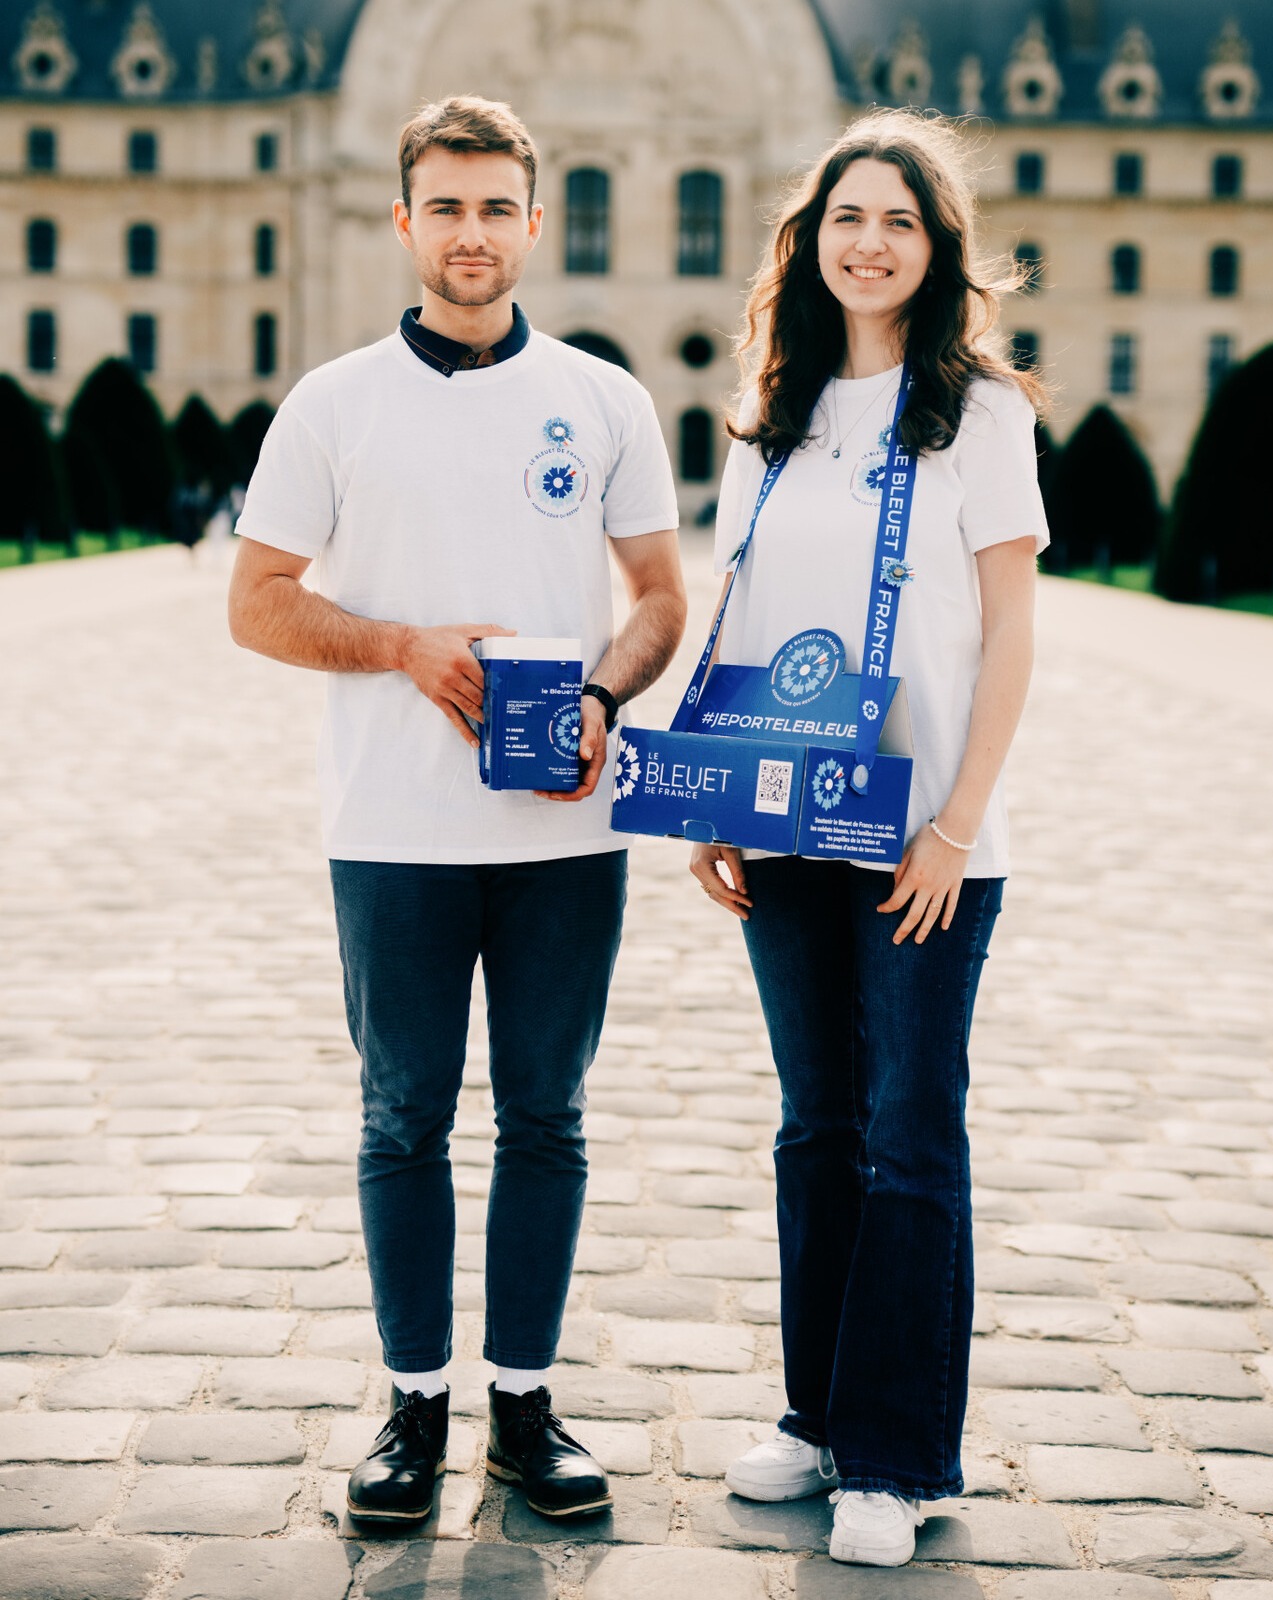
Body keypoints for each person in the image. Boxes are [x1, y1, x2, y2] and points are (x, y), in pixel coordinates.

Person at [228, 95, 684, 1526]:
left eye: (499, 207)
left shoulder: (607, 400)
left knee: (546, 1116)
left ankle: (526, 1403)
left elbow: (662, 599)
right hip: (393, 830)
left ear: (535, 224)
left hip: (565, 838)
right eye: (449, 206)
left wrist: (605, 697)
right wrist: (403, 648)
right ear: (404, 219)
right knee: (403, 1119)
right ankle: (414, 1405)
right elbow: (257, 605)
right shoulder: (336, 401)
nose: (473, 232)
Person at [688, 108, 1048, 1567]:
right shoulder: (768, 416)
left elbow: (1016, 630)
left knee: (912, 1134)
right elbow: (747, 622)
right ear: (811, 240)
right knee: (813, 1125)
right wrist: (706, 800)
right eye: (849, 217)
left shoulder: (984, 416)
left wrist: (959, 822)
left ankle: (896, 1460)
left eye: (900, 219)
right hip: (782, 826)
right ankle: (815, 1416)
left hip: (923, 842)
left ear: (936, 247)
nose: (871, 241)